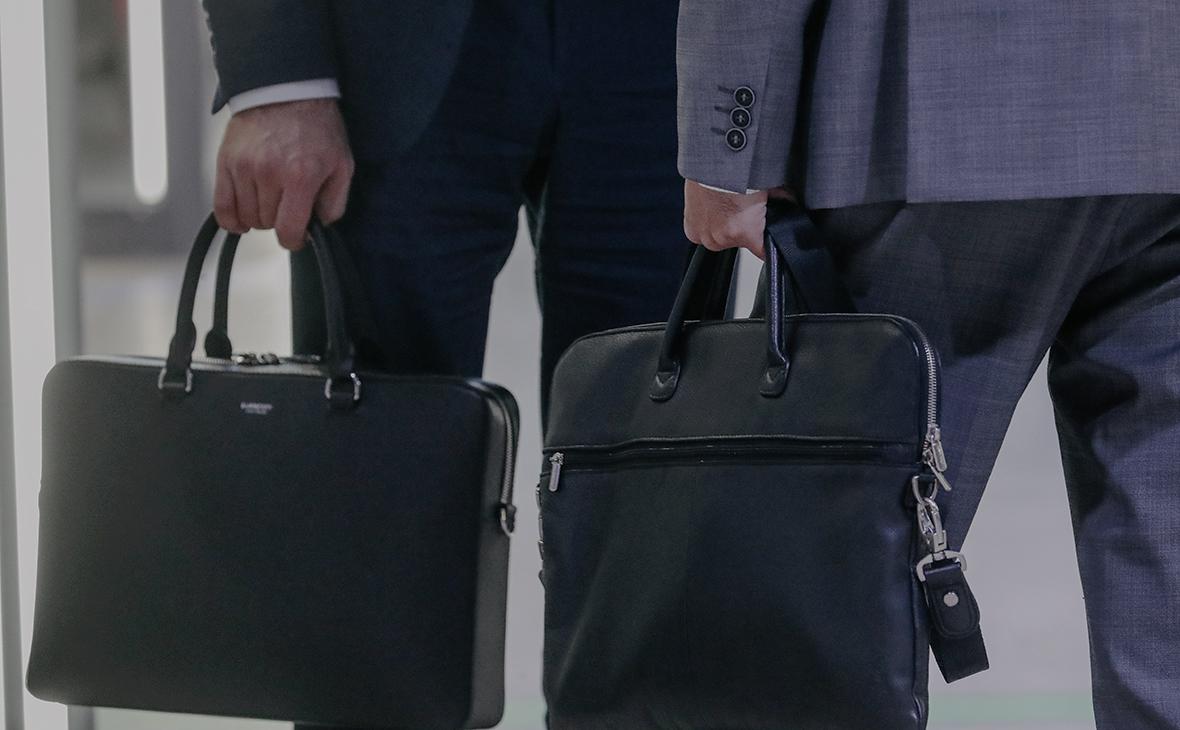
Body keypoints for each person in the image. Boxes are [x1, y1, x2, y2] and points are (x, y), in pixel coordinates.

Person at [678, 3, 1180, 728]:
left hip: (936, 122)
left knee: (814, 591)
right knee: (1165, 576)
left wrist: (728, 140)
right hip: (1162, 109)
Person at [202, 0, 688, 423]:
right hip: (392, 50)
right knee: (375, 451)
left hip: (661, 42)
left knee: (650, 445)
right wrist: (277, 79)